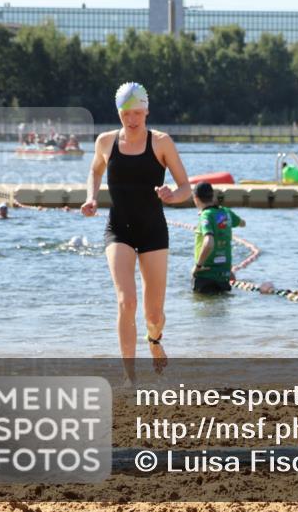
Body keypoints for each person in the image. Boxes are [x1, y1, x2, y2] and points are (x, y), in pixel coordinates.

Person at [80, 82, 191, 381]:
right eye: (126, 113)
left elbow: (186, 188)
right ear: (119, 113)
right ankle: (130, 377)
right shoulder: (105, 142)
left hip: (154, 231)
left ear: (147, 112)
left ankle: (154, 340)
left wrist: (172, 195)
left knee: (153, 317)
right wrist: (91, 197)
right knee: (126, 301)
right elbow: (94, 170)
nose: (132, 120)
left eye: (138, 113)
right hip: (119, 230)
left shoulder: (162, 143)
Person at [191, 181, 245, 294]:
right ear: (212, 196)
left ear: (195, 198)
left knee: (203, 307)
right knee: (221, 308)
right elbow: (242, 223)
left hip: (206, 274)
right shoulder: (226, 213)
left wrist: (198, 266)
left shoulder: (205, 215)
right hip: (224, 274)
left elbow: (209, 242)